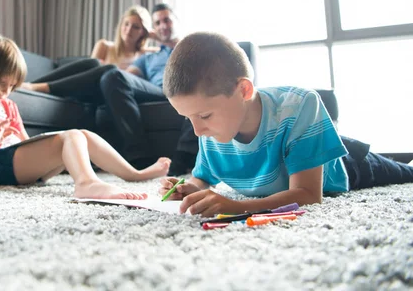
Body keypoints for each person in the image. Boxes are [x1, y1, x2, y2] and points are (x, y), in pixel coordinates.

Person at [158, 32, 413, 216]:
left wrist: (237, 207)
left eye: (203, 116)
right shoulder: (210, 131)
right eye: (187, 118)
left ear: (243, 90)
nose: (197, 131)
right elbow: (202, 178)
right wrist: (190, 188)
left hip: (345, 163)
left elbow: (309, 195)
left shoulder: (299, 105)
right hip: (298, 160)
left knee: (405, 173)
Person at [0, 34, 171, 199]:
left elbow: (27, 144)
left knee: (81, 135)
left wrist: (23, 142)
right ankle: (86, 183)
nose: (5, 93)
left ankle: (134, 174)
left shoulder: (8, 106)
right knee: (69, 139)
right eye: (1, 85)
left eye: (11, 87)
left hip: (15, 164)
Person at [99, 3, 193, 170]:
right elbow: (125, 76)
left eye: (167, 20)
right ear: (152, 29)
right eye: (157, 23)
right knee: (112, 76)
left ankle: (183, 158)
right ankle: (139, 156)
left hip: (185, 87)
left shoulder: (191, 47)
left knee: (195, 87)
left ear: (176, 21)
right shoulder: (149, 57)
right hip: (159, 91)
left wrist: (163, 37)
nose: (163, 26)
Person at [20, 5, 156, 102]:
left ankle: (38, 87)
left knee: (111, 70)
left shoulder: (146, 55)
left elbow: (169, 49)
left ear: (144, 32)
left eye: (136, 27)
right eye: (126, 24)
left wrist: (155, 36)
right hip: (86, 88)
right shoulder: (105, 46)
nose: (128, 29)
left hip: (111, 94)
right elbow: (87, 76)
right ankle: (31, 85)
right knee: (93, 62)